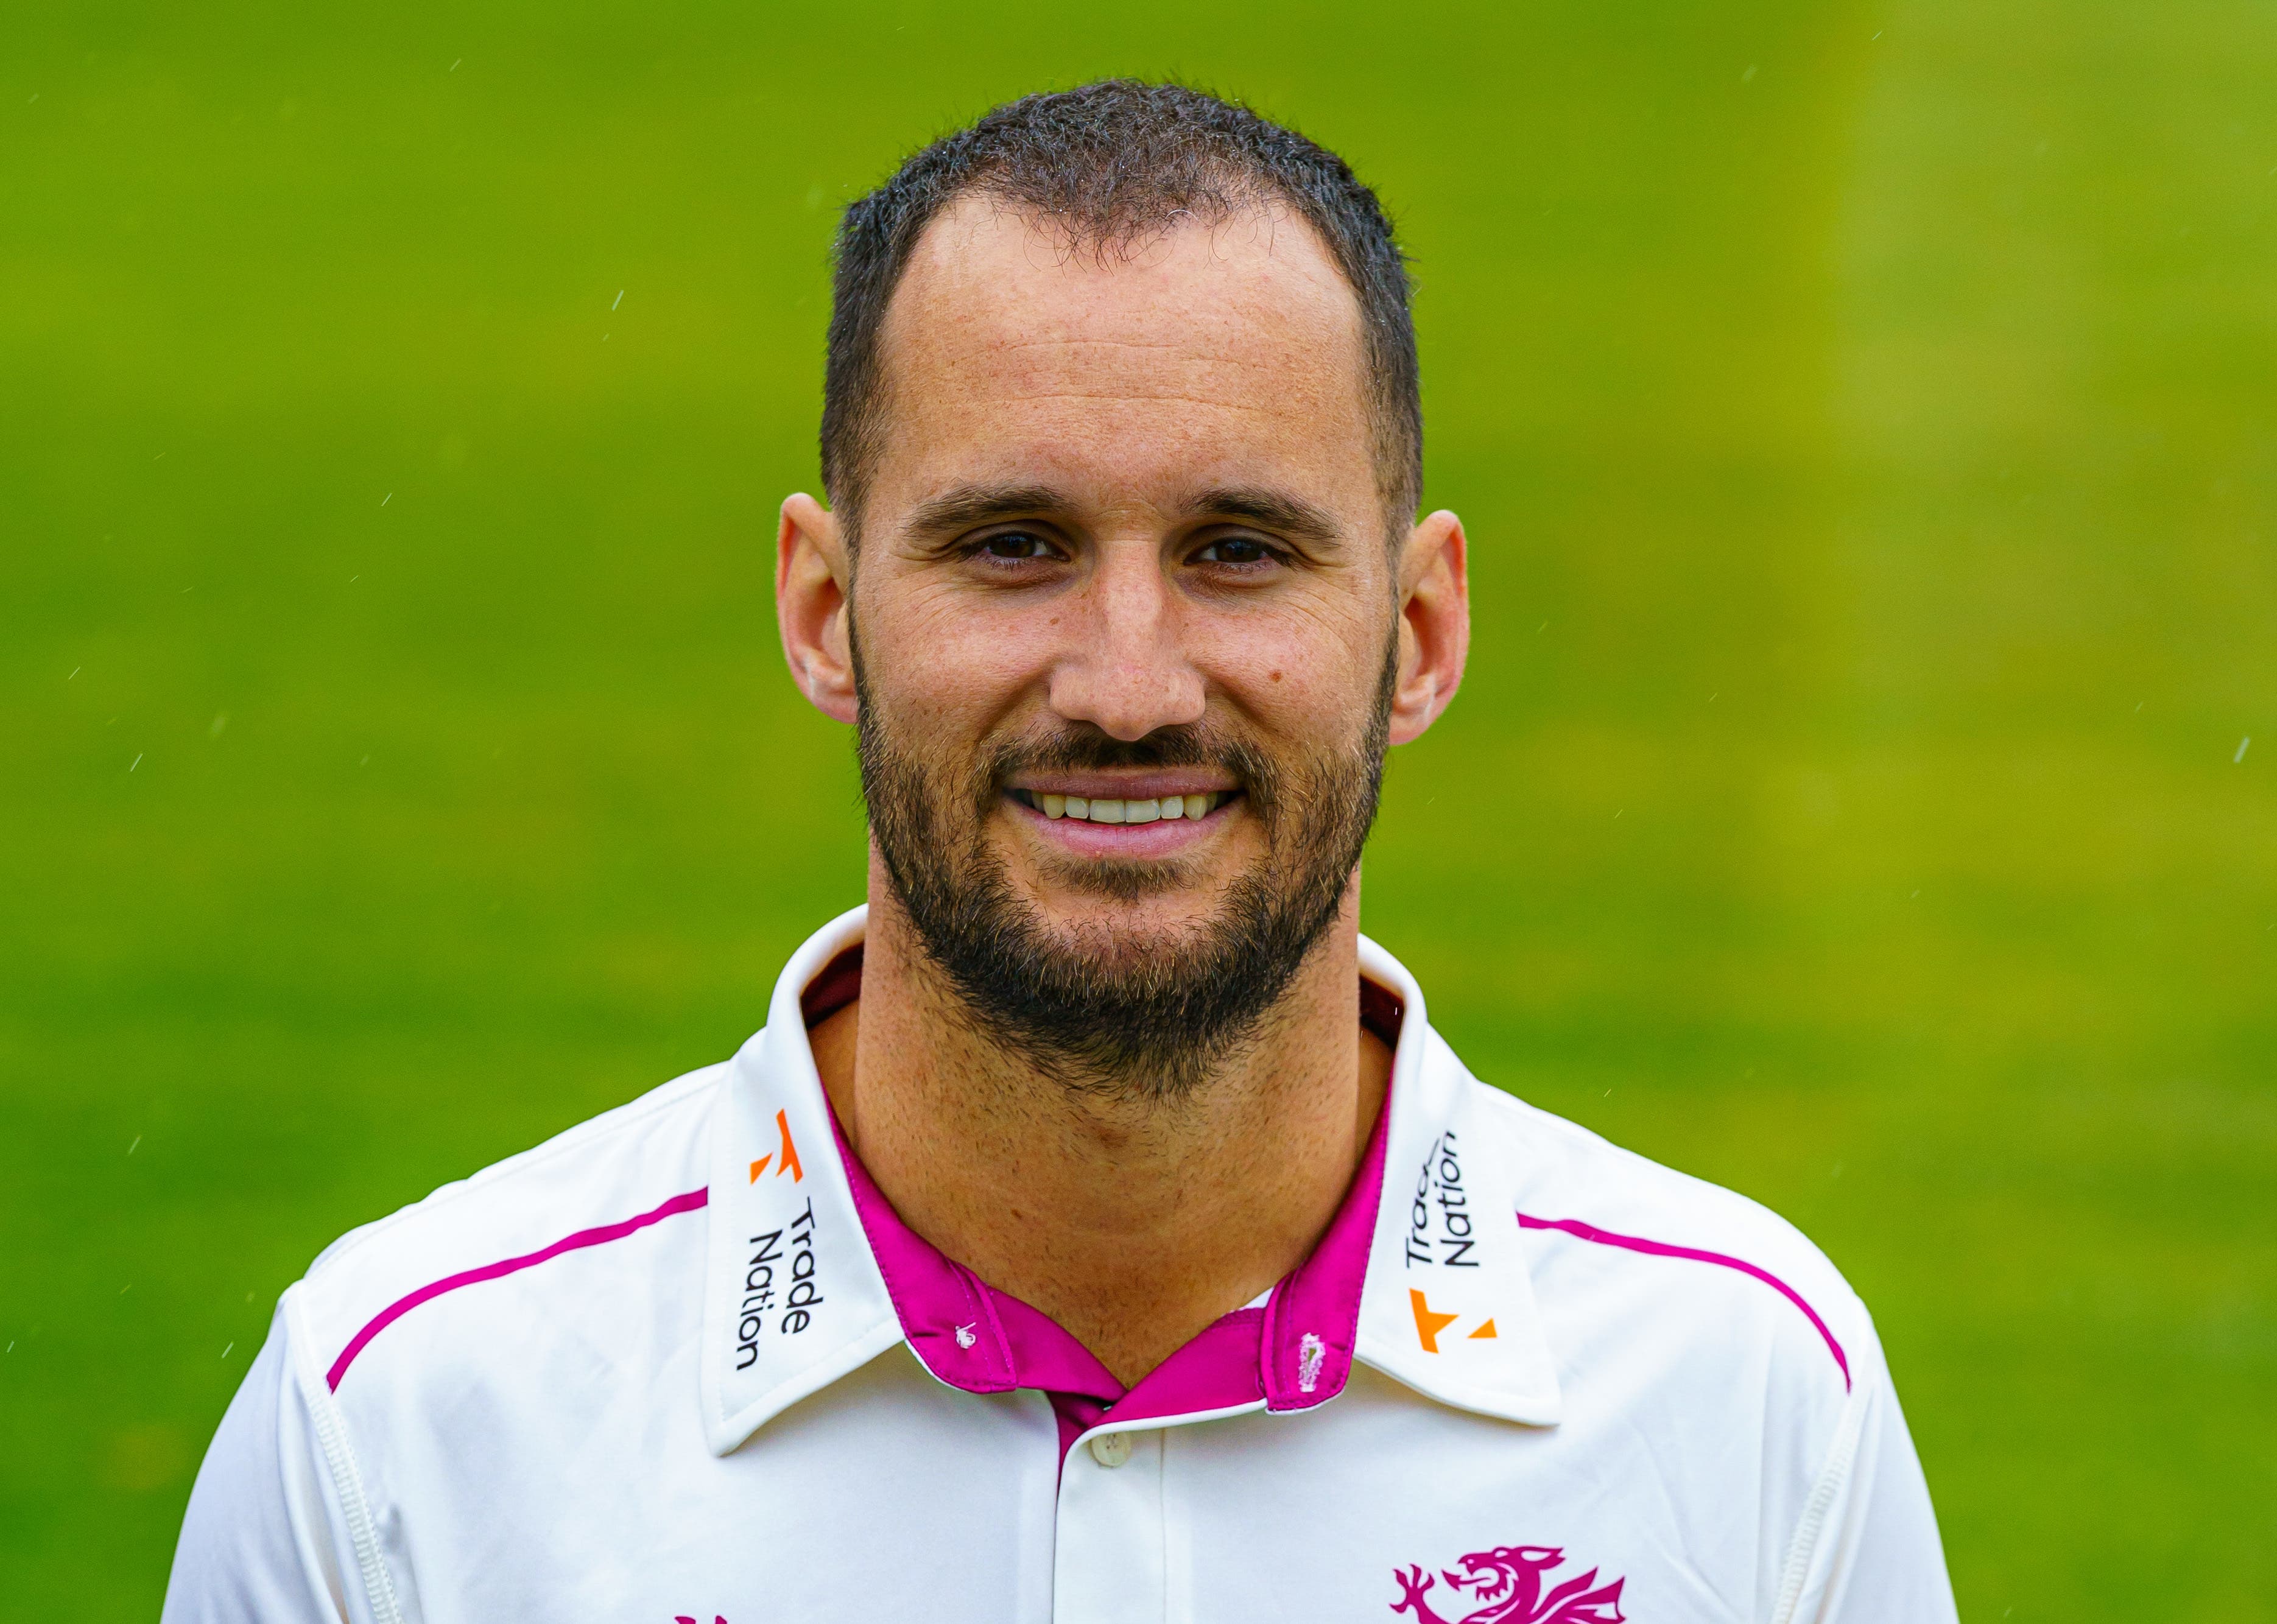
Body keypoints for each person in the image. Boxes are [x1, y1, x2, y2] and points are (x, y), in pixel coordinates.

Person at [166, 80, 1957, 1623]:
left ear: (1418, 631)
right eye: (1013, 546)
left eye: (1240, 549)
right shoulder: (402, 1423)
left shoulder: (1749, 1402)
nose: (1125, 685)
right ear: (824, 608)